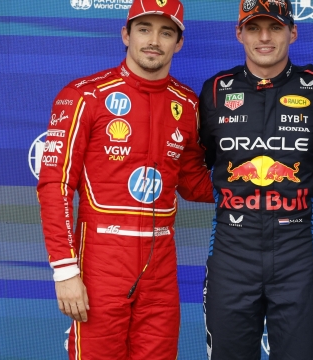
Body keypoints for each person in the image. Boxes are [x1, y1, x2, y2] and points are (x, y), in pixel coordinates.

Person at [37, 0, 213, 358]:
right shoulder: (85, 95)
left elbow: (194, 183)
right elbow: (54, 185)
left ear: (178, 43)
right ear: (125, 34)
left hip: (161, 264)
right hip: (100, 261)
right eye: (144, 29)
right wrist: (65, 270)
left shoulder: (188, 104)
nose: (154, 40)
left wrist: (256, 180)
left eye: (166, 32)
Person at [197, 1, 313, 359]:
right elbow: (200, 165)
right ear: (239, 34)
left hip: (297, 255)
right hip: (231, 254)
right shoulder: (215, 91)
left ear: (293, 32)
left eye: (275, 28)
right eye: (254, 28)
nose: (264, 37)